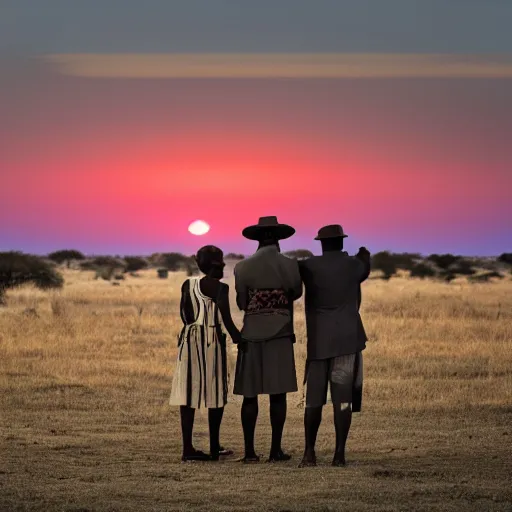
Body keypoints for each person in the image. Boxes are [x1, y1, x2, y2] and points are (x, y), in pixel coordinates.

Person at [297, 224, 370, 467]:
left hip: (318, 341)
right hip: (347, 341)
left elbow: (293, 271)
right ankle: (339, 454)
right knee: (343, 399)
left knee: (313, 399)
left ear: (320, 243)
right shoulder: (353, 265)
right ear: (342, 241)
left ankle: (309, 452)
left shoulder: (308, 266)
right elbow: (365, 268)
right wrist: (364, 254)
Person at [233, 216, 303, 463]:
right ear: (279, 239)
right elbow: (296, 292)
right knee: (278, 395)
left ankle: (250, 452)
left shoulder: (242, 267)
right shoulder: (290, 264)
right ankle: (275, 450)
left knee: (250, 396)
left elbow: (242, 304)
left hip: (251, 334)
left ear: (257, 240)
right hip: (281, 334)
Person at [170, 245, 242, 461]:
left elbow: (184, 314)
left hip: (188, 340)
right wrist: (241, 339)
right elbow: (227, 322)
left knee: (188, 393)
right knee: (216, 393)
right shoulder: (220, 289)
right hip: (211, 341)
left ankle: (188, 449)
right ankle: (213, 448)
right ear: (217, 265)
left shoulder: (187, 284)